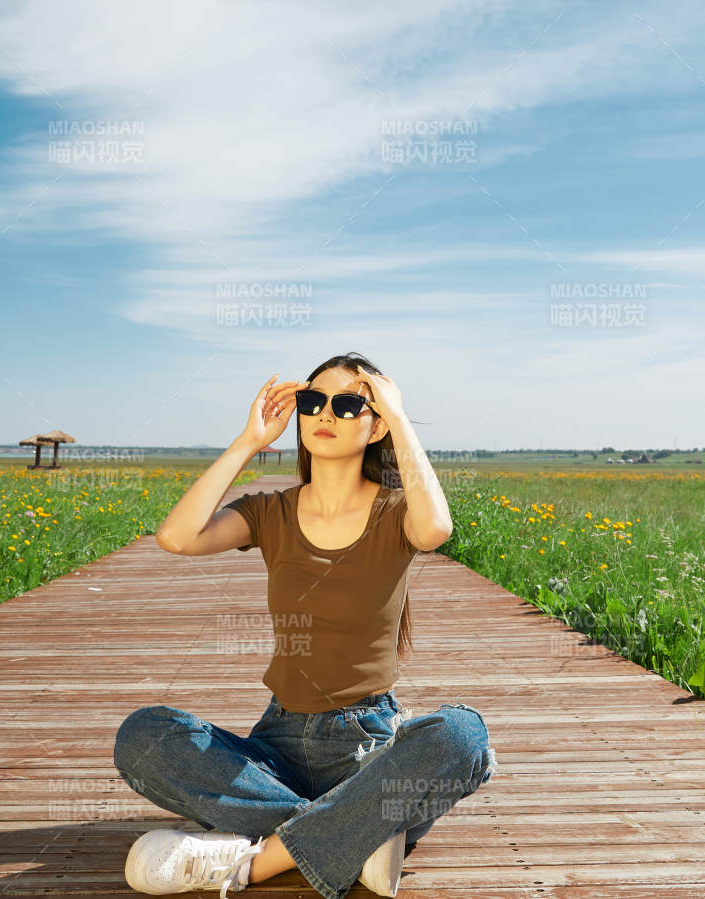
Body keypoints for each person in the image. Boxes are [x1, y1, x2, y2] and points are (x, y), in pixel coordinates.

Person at [114, 353, 497, 898]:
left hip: (369, 748)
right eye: (313, 401)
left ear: (376, 423)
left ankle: (258, 861)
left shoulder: (395, 513)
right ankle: (356, 835)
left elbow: (435, 527)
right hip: (277, 747)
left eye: (347, 404)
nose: (327, 414)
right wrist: (249, 440)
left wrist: (399, 413)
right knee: (144, 736)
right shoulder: (271, 512)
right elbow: (177, 537)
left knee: (463, 736)